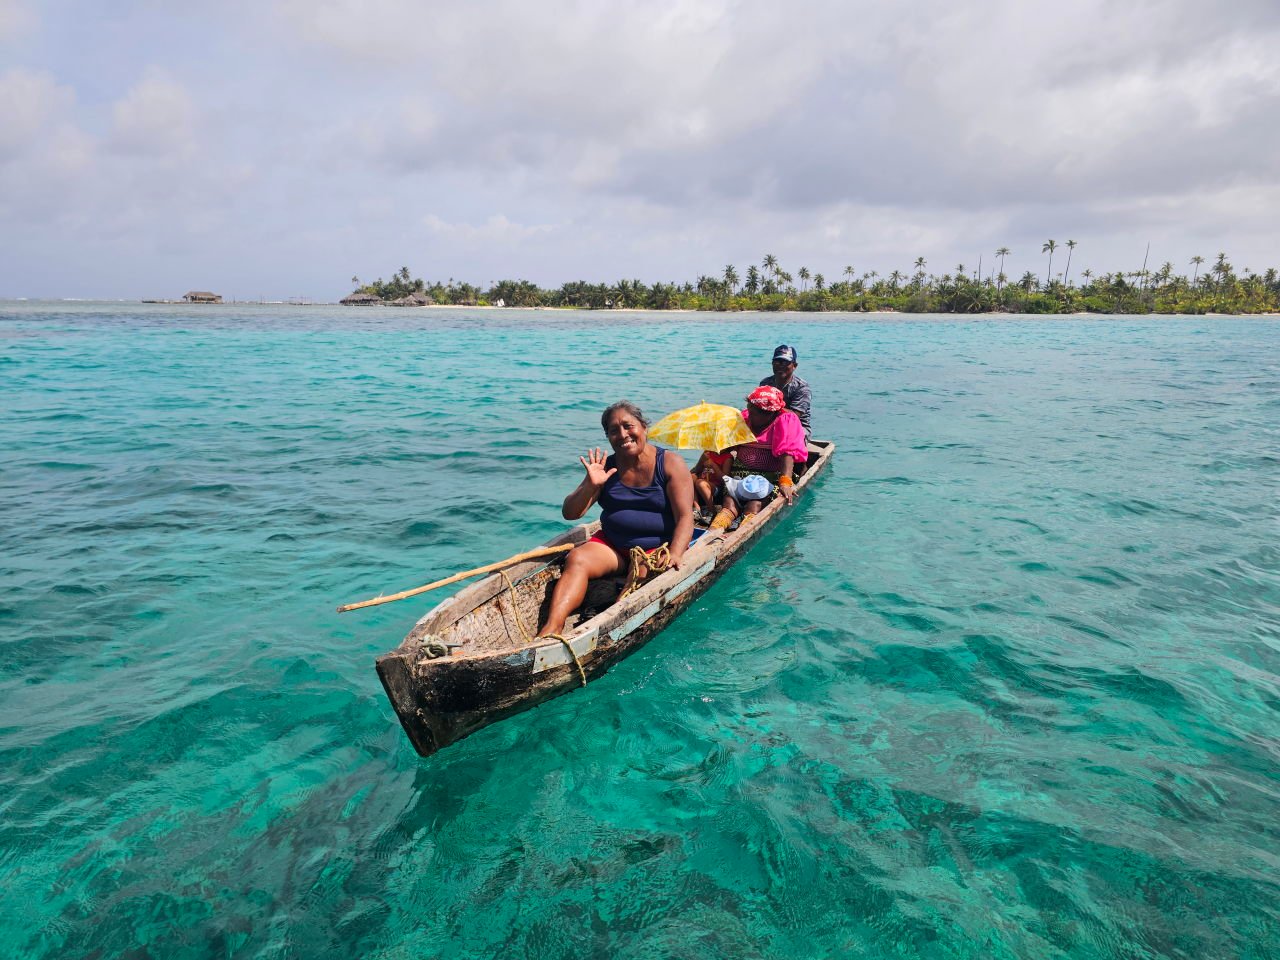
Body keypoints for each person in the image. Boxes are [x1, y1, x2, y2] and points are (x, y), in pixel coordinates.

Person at [536, 401, 694, 637]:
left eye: (628, 426)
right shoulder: (605, 468)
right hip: (613, 546)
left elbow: (685, 517)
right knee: (577, 558)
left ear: (643, 427)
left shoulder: (670, 463)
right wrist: (591, 484)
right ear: (608, 437)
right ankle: (552, 628)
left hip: (653, 549)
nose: (622, 434)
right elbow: (571, 513)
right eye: (613, 430)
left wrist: (676, 553)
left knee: (642, 571)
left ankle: (605, 628)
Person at [711, 385, 809, 529]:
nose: (749, 415)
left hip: (770, 478)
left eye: (754, 413)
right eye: (749, 410)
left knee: (754, 505)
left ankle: (743, 530)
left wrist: (785, 482)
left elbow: (787, 453)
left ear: (770, 414)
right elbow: (728, 447)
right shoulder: (744, 417)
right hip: (740, 475)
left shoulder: (785, 420)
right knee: (729, 503)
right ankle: (712, 533)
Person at [759, 344, 812, 437]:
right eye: (776, 362)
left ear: (794, 366)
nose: (780, 366)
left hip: (798, 427)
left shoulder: (802, 388)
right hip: (769, 424)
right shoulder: (766, 383)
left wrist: (771, 406)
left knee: (786, 436)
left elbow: (794, 416)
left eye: (785, 363)